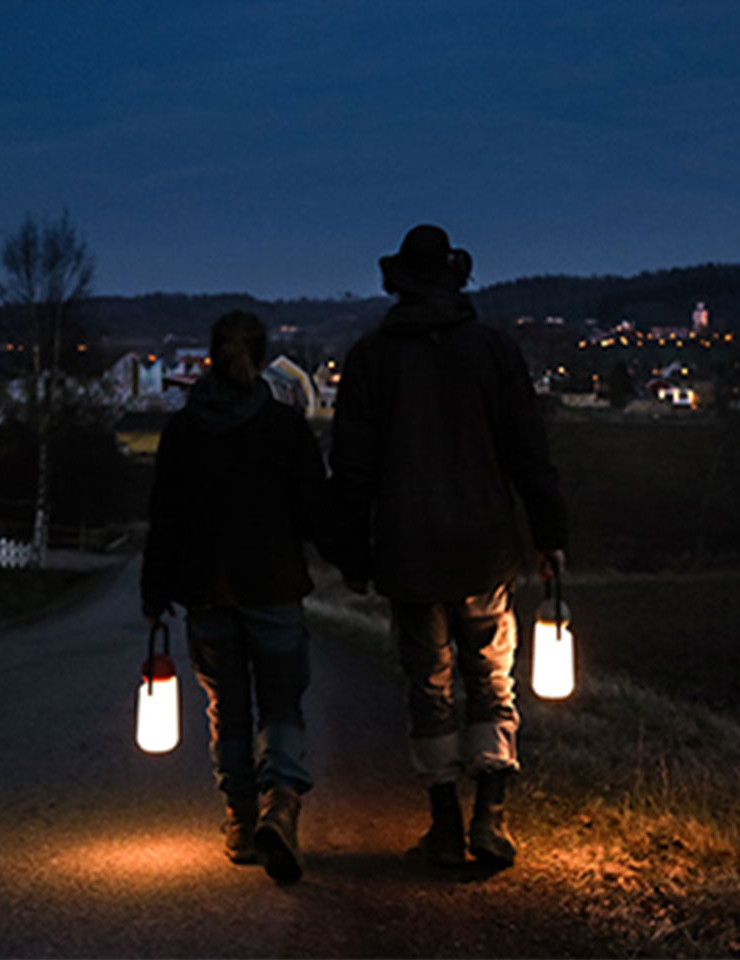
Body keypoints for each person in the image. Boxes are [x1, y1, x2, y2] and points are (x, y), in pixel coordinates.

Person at [330, 224, 567, 868]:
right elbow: (530, 455)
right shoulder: (495, 353)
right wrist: (548, 536)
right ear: (456, 280)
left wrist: (352, 555)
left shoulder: (372, 359)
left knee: (427, 686)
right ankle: (490, 821)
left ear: (398, 284)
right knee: (491, 680)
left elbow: (351, 471)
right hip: (486, 547)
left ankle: (444, 827)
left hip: (407, 551)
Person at [141, 310, 333, 884]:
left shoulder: (182, 433)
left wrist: (156, 594)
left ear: (211, 357)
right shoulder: (284, 428)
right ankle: (282, 805)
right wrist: (357, 561)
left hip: (206, 590)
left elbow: (164, 521)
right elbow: (315, 510)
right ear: (264, 353)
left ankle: (240, 821)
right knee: (282, 702)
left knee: (228, 706)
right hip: (273, 584)